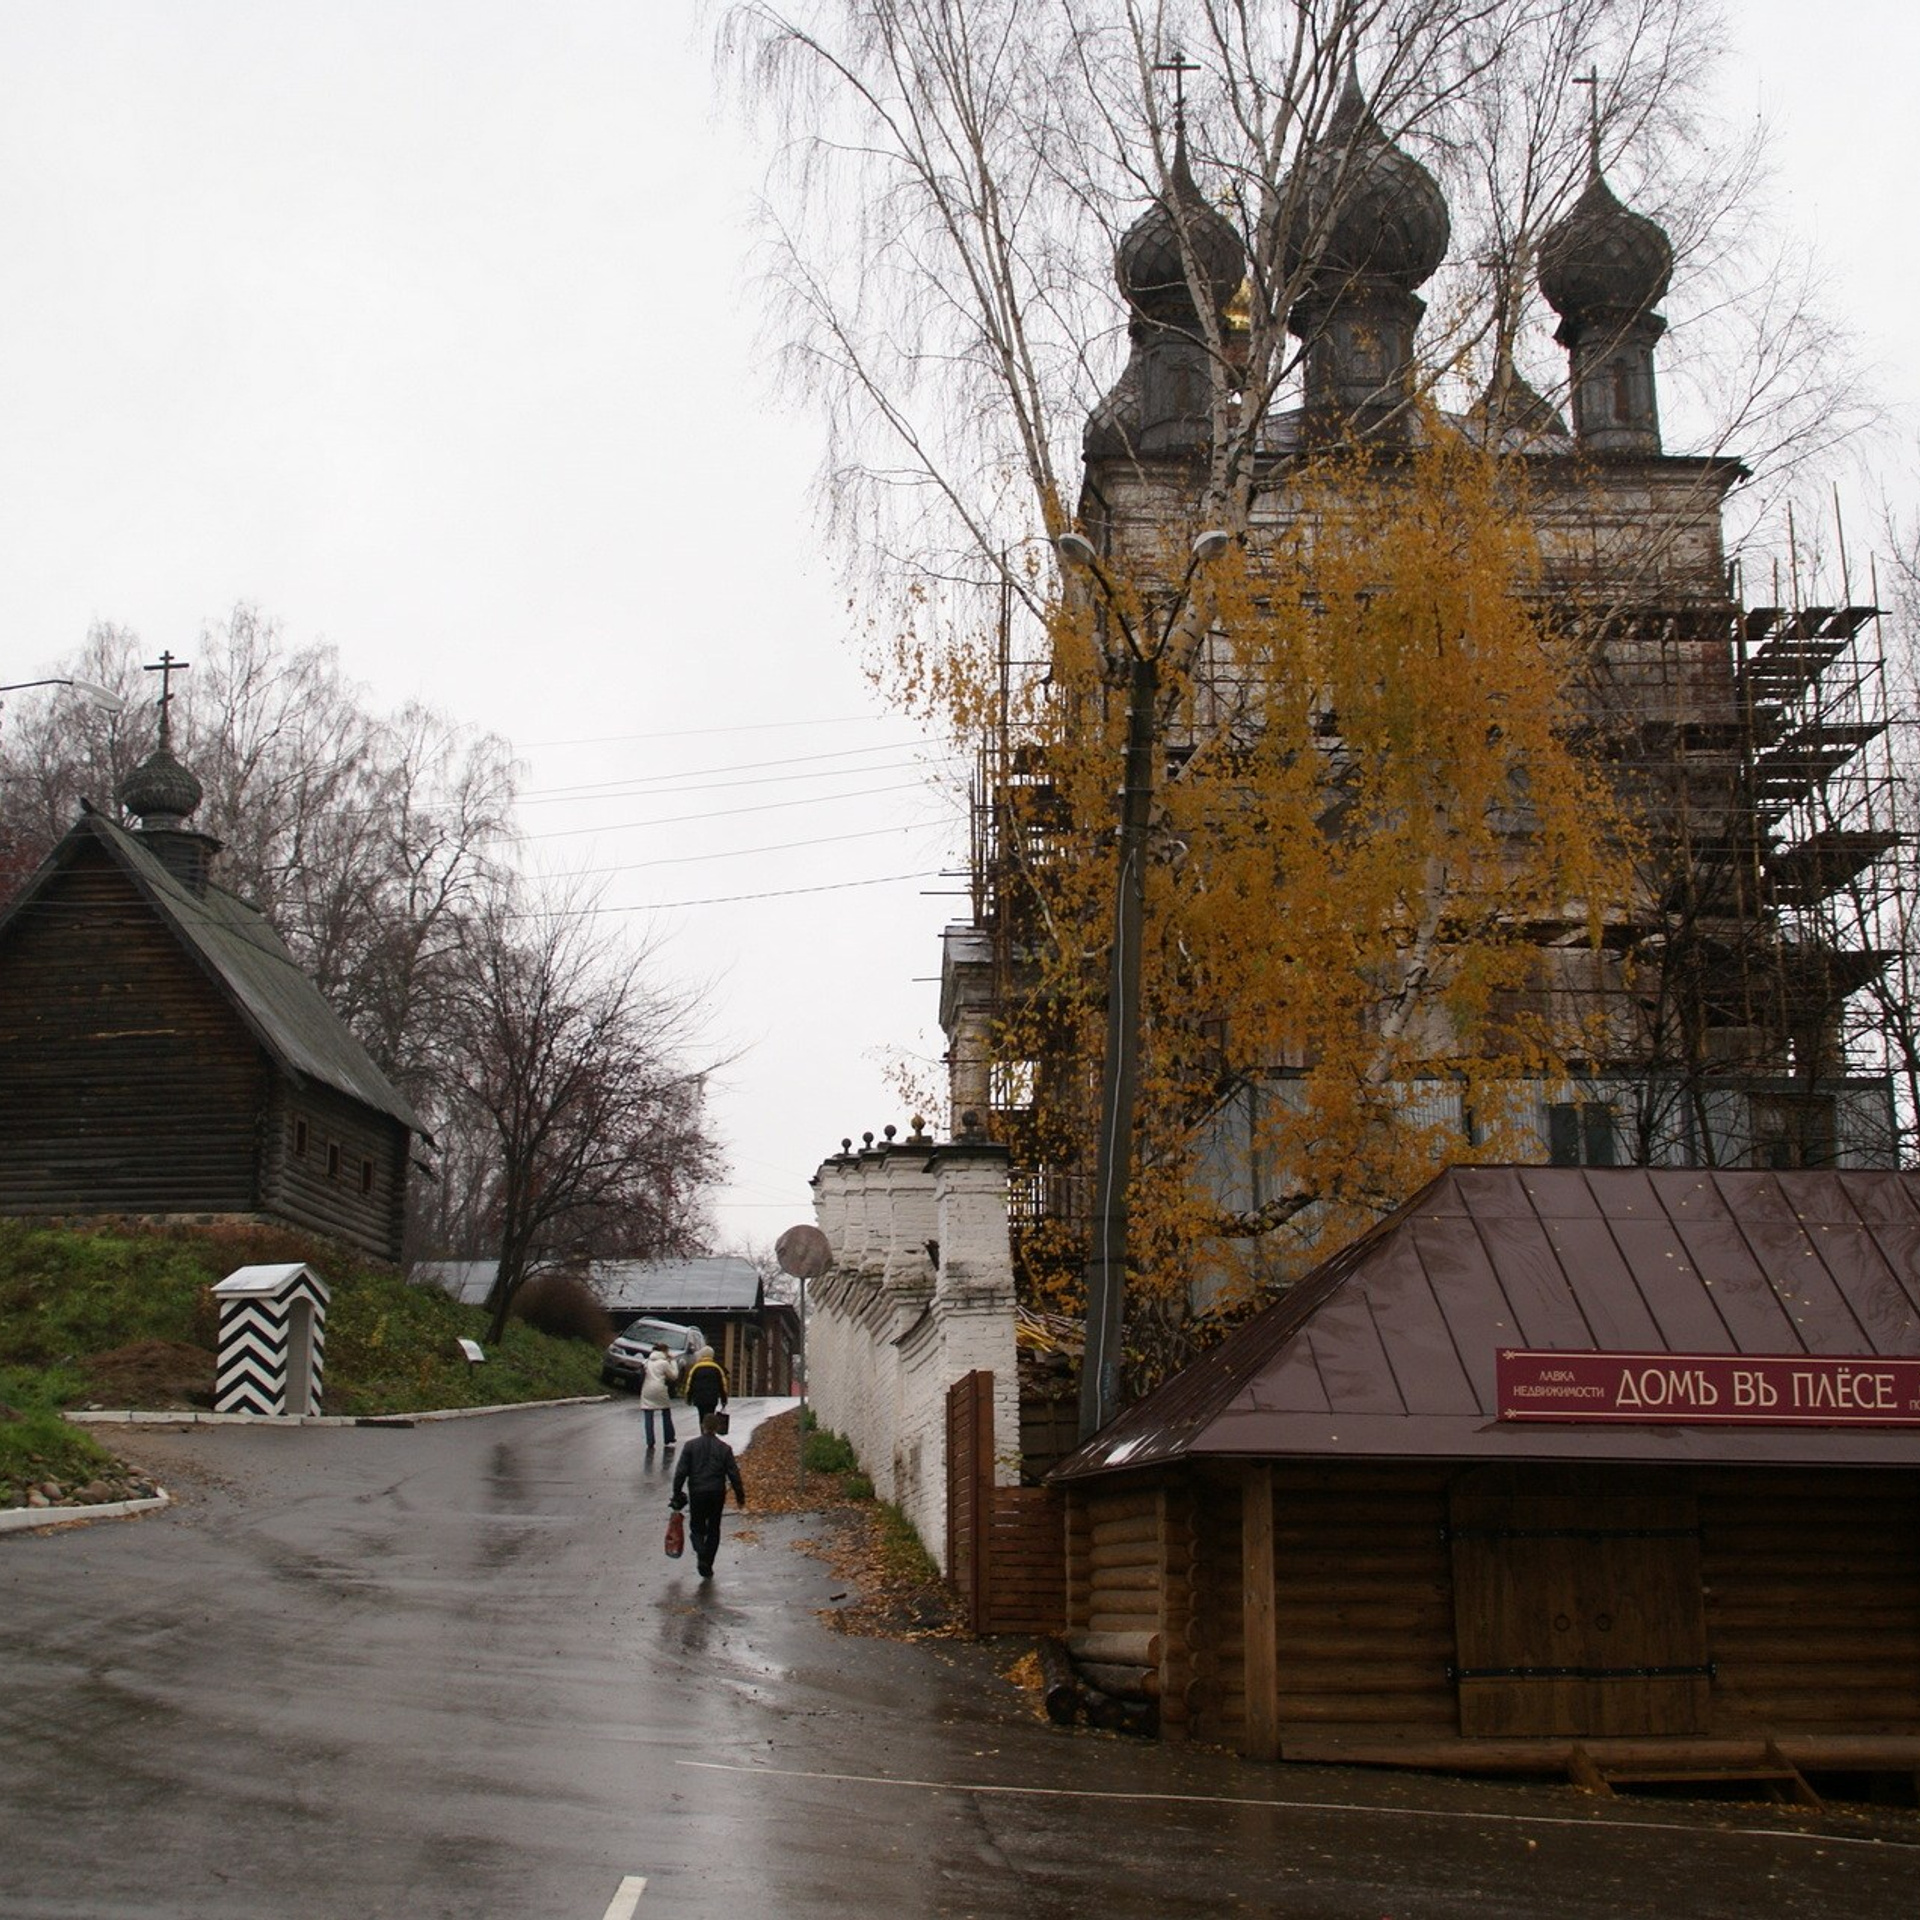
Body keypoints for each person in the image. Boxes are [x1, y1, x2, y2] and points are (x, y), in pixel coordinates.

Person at [670, 1413, 745, 1578]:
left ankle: (701, 1552)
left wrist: (677, 1492)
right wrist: (740, 1496)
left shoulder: (690, 1446)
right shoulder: (724, 1449)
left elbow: (681, 1471)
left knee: (696, 1527)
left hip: (697, 1492)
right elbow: (733, 1473)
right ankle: (707, 1562)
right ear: (717, 1428)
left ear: (703, 1426)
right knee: (714, 1528)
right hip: (717, 1493)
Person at [637, 1344, 679, 1450]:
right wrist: (673, 1362)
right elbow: (674, 1376)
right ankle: (668, 1437)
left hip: (647, 1389)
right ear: (664, 1351)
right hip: (660, 1388)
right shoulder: (664, 1363)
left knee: (648, 1413)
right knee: (666, 1411)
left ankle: (650, 1441)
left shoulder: (646, 1362)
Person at [681, 1346, 729, 1426]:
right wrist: (724, 1399)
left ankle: (703, 1432)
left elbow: (689, 1384)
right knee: (710, 1413)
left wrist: (688, 1397)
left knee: (701, 1415)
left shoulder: (695, 1368)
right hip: (712, 1397)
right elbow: (723, 1385)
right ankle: (710, 1430)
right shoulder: (717, 1368)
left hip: (699, 1397)